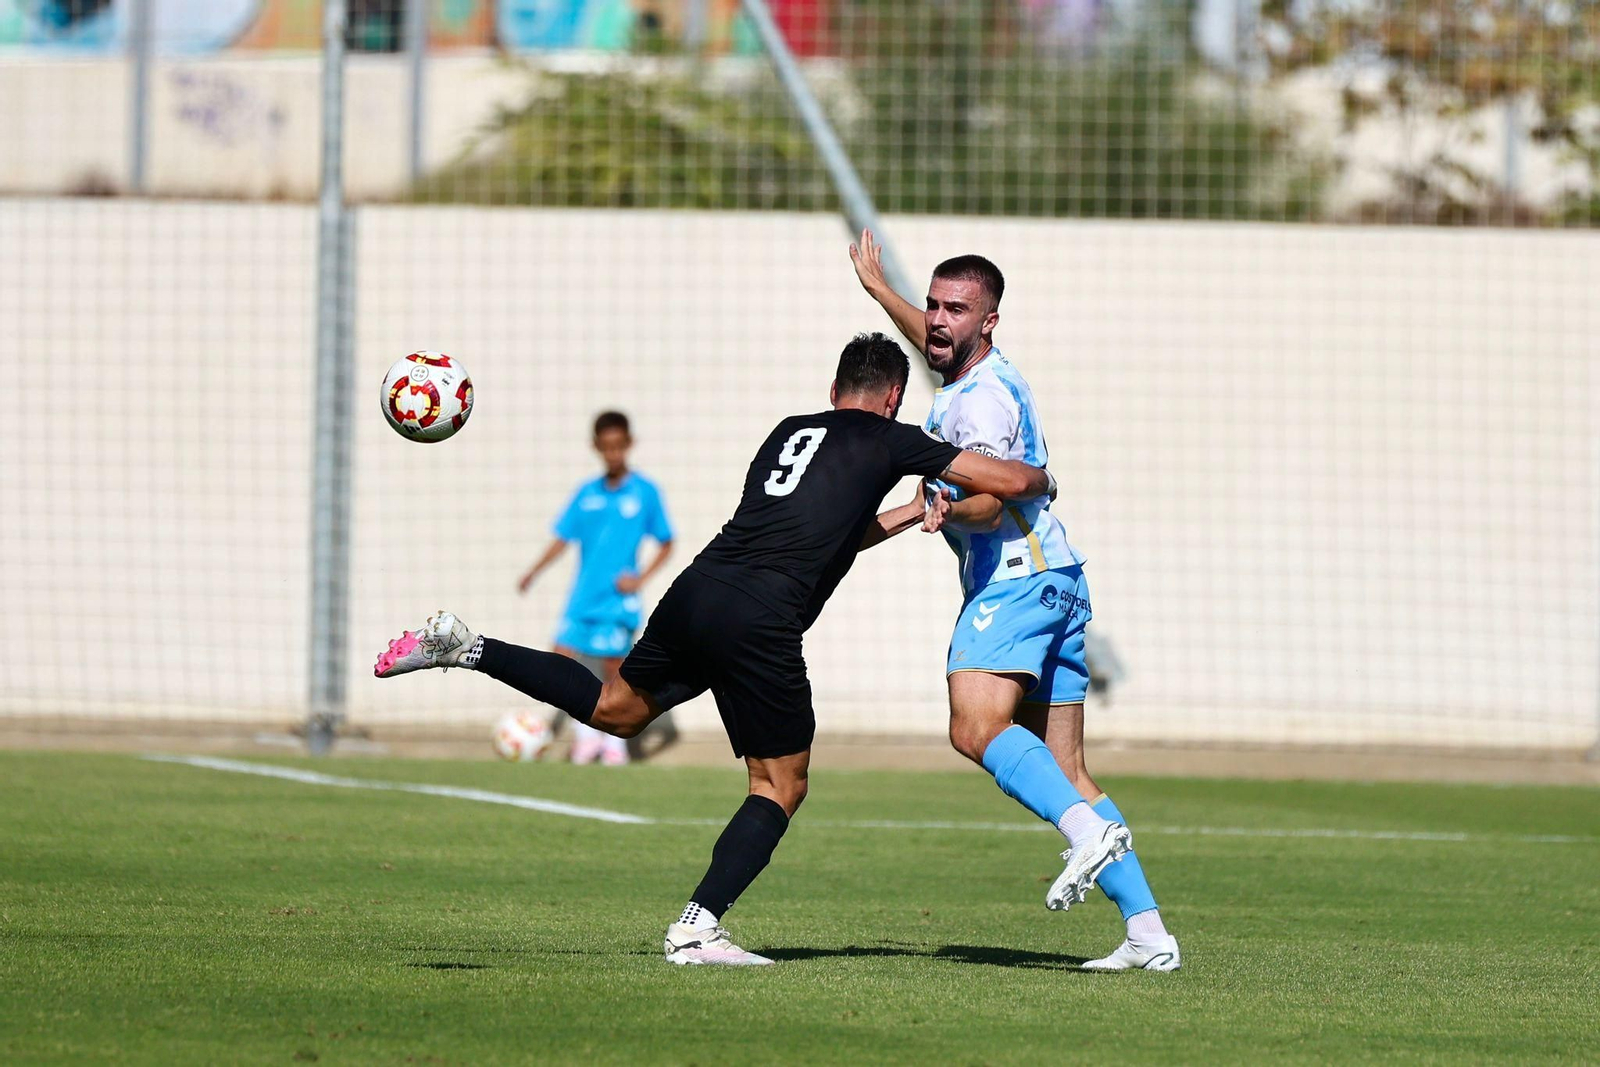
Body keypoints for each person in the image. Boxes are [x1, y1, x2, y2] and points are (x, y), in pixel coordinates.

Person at [375, 333, 1056, 966]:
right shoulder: (892, 437)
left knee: (616, 707)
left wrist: (908, 512)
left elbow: (822, 536)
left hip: (700, 587)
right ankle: (699, 925)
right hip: (761, 618)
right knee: (780, 783)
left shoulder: (789, 434)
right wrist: (1038, 480)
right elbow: (1010, 480)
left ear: (833, 388)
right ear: (891, 400)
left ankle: (468, 646)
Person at [849, 231, 1180, 972]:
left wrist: (939, 511)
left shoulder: (981, 405)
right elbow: (936, 345)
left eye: (956, 310)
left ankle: (1086, 837)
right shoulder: (970, 371)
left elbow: (992, 508)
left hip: (1017, 582)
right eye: (932, 305)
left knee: (973, 726)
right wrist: (880, 291)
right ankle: (1149, 934)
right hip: (1060, 580)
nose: (937, 320)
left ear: (989, 320)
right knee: (1068, 771)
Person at [516, 411, 675, 765]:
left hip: (617, 601)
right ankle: (586, 737)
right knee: (556, 663)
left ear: (628, 445)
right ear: (596, 448)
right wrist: (533, 572)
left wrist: (641, 579)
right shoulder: (586, 493)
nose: (613, 454)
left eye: (619, 446)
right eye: (606, 448)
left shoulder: (645, 493)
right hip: (582, 598)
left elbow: (667, 541)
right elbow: (562, 538)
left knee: (614, 672)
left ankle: (614, 745)